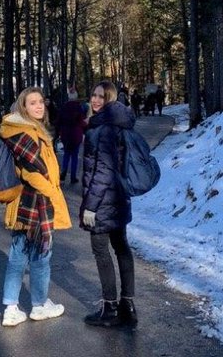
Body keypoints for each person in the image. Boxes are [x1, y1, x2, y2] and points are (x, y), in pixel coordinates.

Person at [0, 87, 72, 327]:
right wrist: (52, 193)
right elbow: (31, 172)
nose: (39, 106)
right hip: (36, 202)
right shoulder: (26, 133)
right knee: (40, 256)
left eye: (41, 102)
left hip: (25, 203)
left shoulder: (26, 130)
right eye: (33, 103)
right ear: (23, 107)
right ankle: (38, 305)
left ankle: (12, 307)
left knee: (18, 255)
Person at [79, 80, 137, 328]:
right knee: (121, 247)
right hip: (119, 197)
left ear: (110, 99)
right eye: (93, 95)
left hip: (102, 201)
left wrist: (90, 206)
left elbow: (103, 170)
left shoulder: (101, 128)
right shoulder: (117, 124)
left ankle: (110, 307)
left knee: (101, 251)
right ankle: (128, 306)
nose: (95, 100)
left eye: (101, 97)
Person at [57, 88, 87, 184]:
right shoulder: (79, 108)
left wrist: (59, 132)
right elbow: (81, 122)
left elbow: (59, 121)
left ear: (69, 97)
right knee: (74, 156)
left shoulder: (63, 107)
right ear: (76, 97)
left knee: (66, 154)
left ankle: (63, 173)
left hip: (65, 134)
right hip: (76, 134)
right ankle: (73, 177)